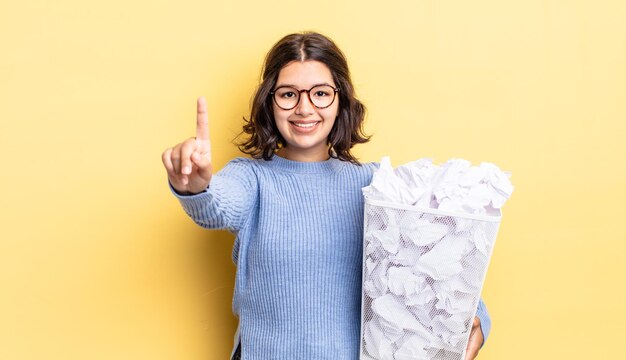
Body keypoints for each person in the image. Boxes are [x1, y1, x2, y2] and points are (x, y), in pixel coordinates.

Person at [161, 32, 491, 360]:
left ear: (340, 102)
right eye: (289, 94)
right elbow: (217, 204)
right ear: (270, 102)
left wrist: (476, 319)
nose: (304, 108)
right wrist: (195, 185)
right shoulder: (251, 178)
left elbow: (439, 257)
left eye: (320, 93)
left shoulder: (376, 184)